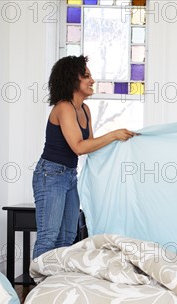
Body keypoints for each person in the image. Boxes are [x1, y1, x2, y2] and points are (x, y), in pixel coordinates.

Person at [32, 55, 137, 259]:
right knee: (49, 237)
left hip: (70, 175)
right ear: (73, 79)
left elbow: (91, 146)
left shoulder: (84, 109)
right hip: (50, 175)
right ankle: (41, 287)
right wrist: (114, 134)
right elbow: (79, 147)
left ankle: (57, 284)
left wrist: (122, 143)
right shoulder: (64, 107)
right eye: (86, 76)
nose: (92, 81)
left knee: (68, 236)